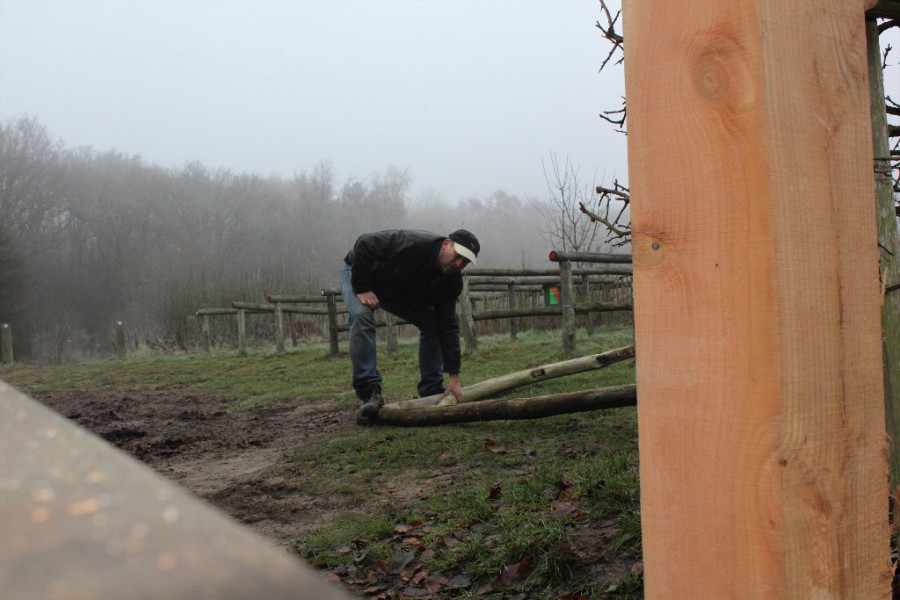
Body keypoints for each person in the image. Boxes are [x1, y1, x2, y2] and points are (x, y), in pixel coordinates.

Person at [340, 228, 481, 420]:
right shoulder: (412, 243)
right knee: (360, 315)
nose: (458, 264)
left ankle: (431, 388)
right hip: (360, 271)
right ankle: (369, 391)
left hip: (394, 291)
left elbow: (447, 327)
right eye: (458, 256)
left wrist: (454, 377)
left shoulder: (451, 283)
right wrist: (363, 287)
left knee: (434, 325)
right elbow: (364, 243)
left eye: (464, 262)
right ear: (446, 244)